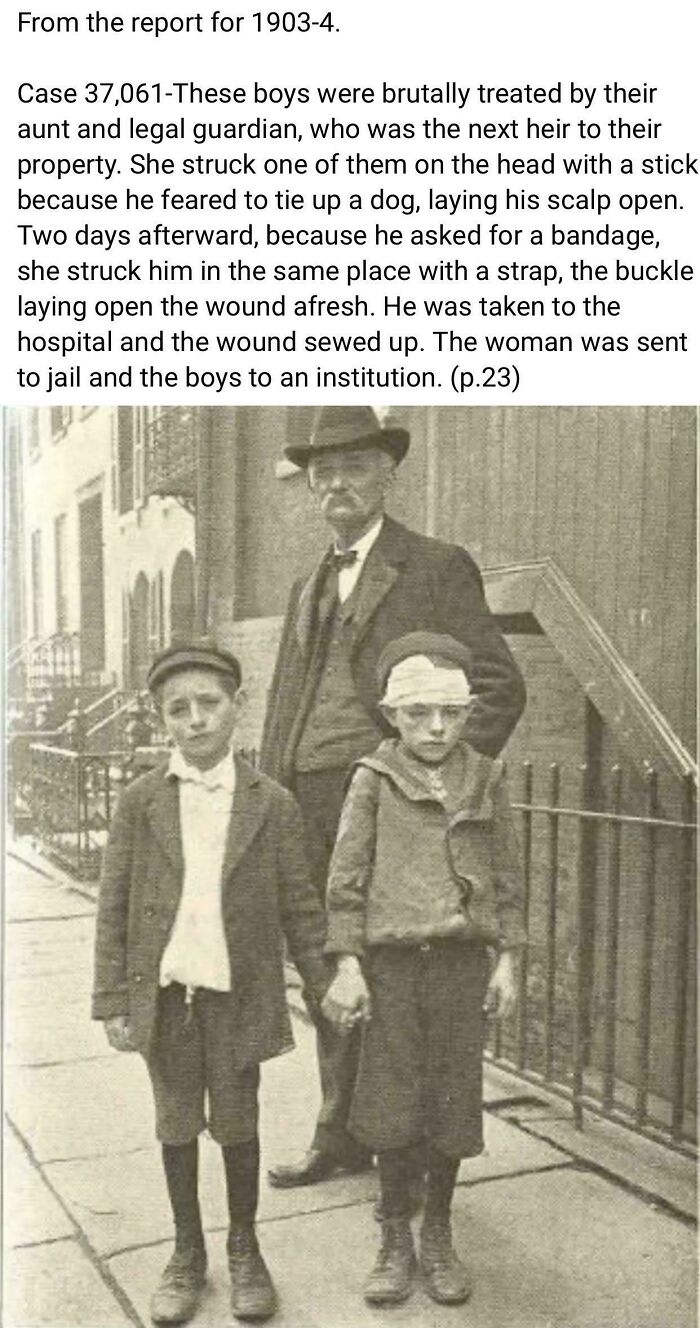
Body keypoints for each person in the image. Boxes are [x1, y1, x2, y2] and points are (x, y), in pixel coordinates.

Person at [262, 405, 526, 1189]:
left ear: (387, 474)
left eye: (354, 467)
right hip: (308, 805)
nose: (337, 483)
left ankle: (409, 1156)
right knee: (328, 970)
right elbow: (287, 703)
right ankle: (338, 1132)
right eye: (324, 472)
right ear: (312, 487)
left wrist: (442, 786)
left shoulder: (437, 566)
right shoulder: (310, 581)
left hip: (397, 811)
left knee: (405, 988)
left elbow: (499, 685)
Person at [91, 640, 329, 1325]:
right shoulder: (141, 802)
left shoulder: (271, 803)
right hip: (166, 997)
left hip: (236, 996)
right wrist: (112, 998)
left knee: (236, 1123)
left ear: (238, 708)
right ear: (161, 718)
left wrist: (325, 979)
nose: (196, 720)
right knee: (174, 1125)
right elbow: (114, 902)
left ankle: (246, 1247)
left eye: (210, 704)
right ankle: (186, 1252)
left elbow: (301, 903)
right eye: (179, 709)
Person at [320, 632, 527, 1307]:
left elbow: (507, 878)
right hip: (392, 970)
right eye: (418, 714)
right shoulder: (372, 779)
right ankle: (393, 1236)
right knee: (389, 1101)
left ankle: (436, 1231)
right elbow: (345, 881)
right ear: (391, 714)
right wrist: (348, 965)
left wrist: (509, 961)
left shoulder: (487, 778)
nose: (435, 728)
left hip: (462, 967)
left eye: (451, 713)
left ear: (468, 714)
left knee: (451, 1101)